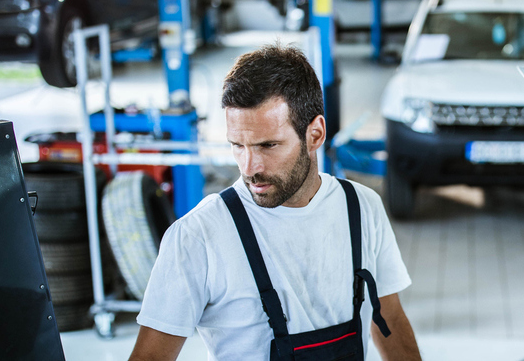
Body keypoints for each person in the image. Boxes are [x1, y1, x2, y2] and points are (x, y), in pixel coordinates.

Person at [129, 43, 421, 361]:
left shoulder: (362, 208)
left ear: (316, 134)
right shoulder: (198, 236)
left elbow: (388, 317)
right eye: (238, 145)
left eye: (268, 145)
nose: (250, 167)